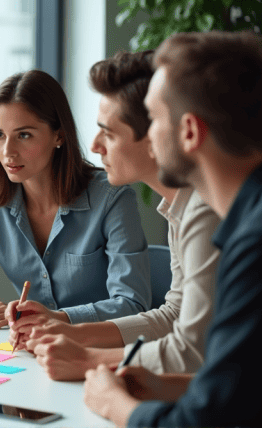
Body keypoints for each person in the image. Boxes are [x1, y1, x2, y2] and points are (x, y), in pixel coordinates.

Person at [84, 30, 262, 426]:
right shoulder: (243, 219)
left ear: (189, 132)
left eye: (153, 117)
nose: (148, 136)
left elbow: (196, 422)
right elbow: (243, 386)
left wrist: (114, 404)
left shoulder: (252, 242)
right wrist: (173, 387)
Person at [15, 51, 220, 380]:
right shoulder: (179, 206)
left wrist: (88, 360)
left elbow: (191, 350)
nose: (94, 146)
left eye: (108, 133)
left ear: (155, 137)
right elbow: (173, 315)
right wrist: (70, 331)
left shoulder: (204, 211)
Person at [0, 70, 151, 338]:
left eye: (23, 135)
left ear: (59, 136)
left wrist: (55, 319)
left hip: (100, 351)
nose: (7, 151)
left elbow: (132, 305)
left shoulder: (112, 198)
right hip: (34, 351)